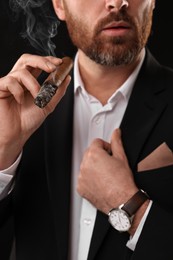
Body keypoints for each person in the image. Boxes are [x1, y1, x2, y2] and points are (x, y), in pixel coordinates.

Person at [0, 0, 173, 259]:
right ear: (60, 5)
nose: (116, 3)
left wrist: (131, 207)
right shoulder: (21, 103)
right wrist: (2, 152)